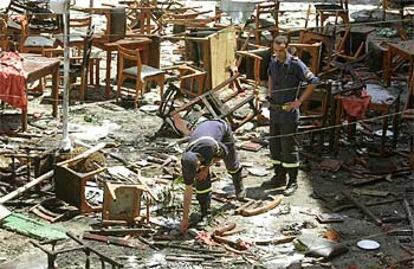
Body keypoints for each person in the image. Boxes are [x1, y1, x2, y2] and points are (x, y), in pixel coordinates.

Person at [267, 35, 319, 196]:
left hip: (288, 113)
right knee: (274, 146)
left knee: (288, 147)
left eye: (281, 50)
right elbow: (270, 76)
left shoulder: (296, 65)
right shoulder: (273, 62)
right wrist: (269, 94)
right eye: (275, 50)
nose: (278, 54)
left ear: (287, 48)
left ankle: (292, 181)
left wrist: (299, 102)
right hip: (275, 111)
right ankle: (279, 176)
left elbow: (313, 82)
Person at [180, 120, 245, 233]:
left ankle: (239, 186)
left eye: (197, 168)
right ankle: (205, 212)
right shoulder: (188, 159)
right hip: (203, 136)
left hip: (221, 130)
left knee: (231, 165)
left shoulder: (209, 147)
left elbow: (224, 152)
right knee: (201, 180)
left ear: (199, 162)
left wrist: (206, 167)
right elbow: (188, 190)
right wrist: (185, 219)